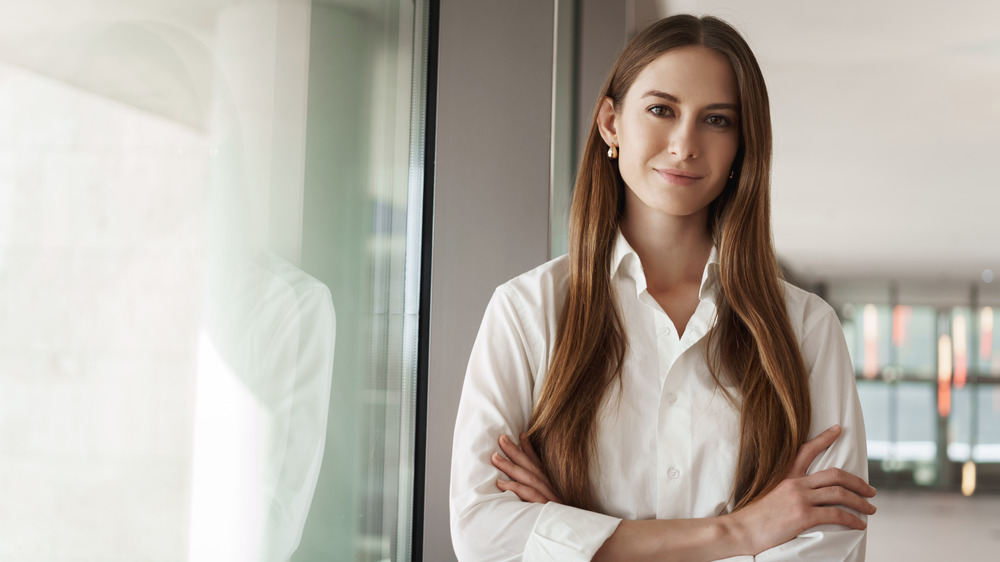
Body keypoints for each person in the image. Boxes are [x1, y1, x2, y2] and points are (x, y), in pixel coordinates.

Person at [450, 14, 874, 561]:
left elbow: (829, 544)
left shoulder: (806, 328)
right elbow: (483, 534)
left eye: (717, 120)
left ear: (742, 146)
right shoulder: (527, 311)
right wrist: (740, 532)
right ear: (610, 122)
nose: (684, 144)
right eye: (661, 110)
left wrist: (573, 535)